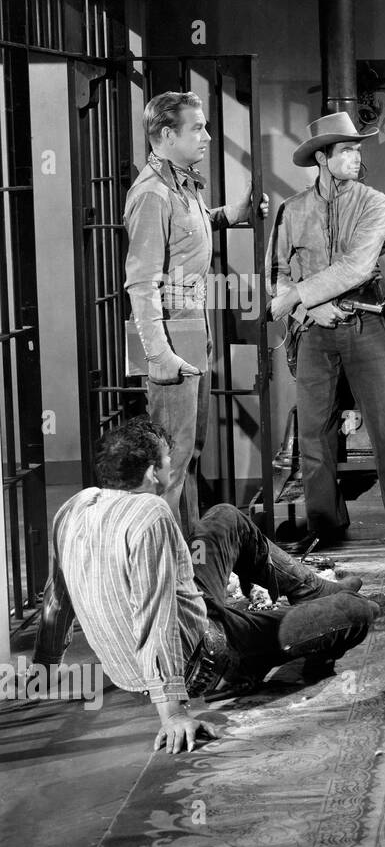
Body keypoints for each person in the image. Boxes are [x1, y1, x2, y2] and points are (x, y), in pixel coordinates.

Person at [33, 419, 378, 754]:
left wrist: (44, 668)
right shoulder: (150, 513)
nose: (172, 463)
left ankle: (312, 588)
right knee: (358, 611)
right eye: (168, 458)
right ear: (153, 472)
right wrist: (174, 712)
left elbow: (56, 597)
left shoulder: (76, 506)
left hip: (188, 623)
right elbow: (157, 614)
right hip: (206, 657)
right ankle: (252, 662)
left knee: (226, 517)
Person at [267, 112, 385, 552]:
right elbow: (277, 273)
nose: (355, 155)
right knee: (313, 433)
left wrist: (299, 297)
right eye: (345, 149)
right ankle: (324, 525)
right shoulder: (291, 209)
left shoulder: (373, 202)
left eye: (357, 148)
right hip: (313, 329)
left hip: (365, 323)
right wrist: (310, 305)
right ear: (322, 158)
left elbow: (358, 266)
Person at [123, 91, 266, 534]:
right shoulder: (152, 194)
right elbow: (141, 283)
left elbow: (195, 229)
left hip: (192, 327)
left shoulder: (180, 185)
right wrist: (160, 355)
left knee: (188, 452)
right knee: (170, 459)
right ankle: (166, 564)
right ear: (167, 134)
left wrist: (233, 213)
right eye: (197, 128)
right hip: (171, 333)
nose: (206, 136)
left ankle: (187, 558)